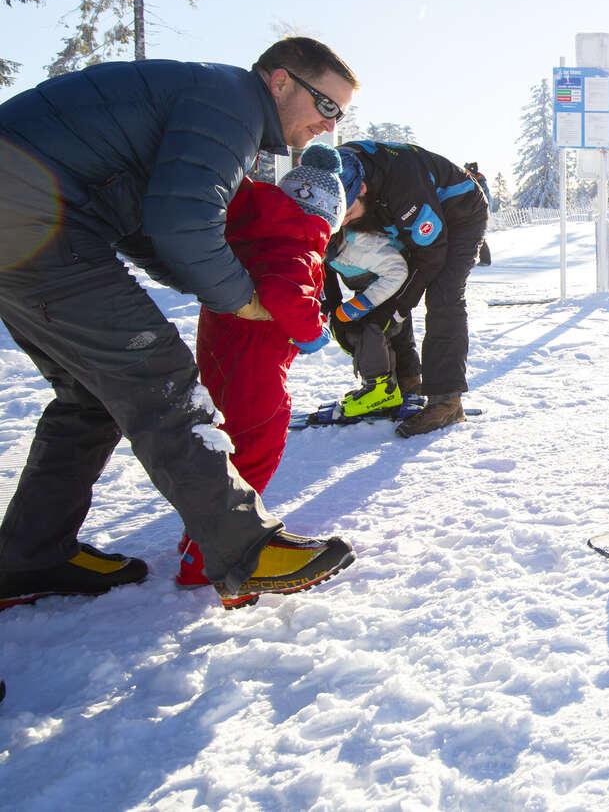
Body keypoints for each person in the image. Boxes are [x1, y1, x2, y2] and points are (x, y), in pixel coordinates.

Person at [0, 37, 357, 610]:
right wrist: (242, 300)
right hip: (34, 222)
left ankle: (30, 555)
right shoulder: (232, 104)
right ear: (281, 82)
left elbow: (151, 225)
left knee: (88, 397)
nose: (328, 124)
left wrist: (217, 286)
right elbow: (181, 226)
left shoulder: (213, 102)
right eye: (327, 106)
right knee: (161, 380)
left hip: (32, 224)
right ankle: (244, 549)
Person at [180, 145, 346, 594]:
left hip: (220, 356)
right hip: (256, 370)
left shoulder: (252, 226)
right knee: (256, 448)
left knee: (225, 448)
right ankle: (217, 556)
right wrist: (312, 332)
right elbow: (284, 292)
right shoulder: (301, 237)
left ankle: (199, 541)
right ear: (327, 214)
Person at [335, 140, 488, 436]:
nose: (342, 221)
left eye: (347, 212)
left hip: (459, 214)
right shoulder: (340, 171)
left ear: (362, 190)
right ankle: (406, 381)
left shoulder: (402, 183)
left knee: (444, 295)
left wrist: (399, 309)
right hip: (403, 215)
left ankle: (447, 401)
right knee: (391, 291)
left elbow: (430, 256)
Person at [323, 217, 422, 417]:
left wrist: (361, 305)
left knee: (374, 328)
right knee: (359, 329)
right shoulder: (324, 246)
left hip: (396, 282)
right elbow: (326, 276)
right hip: (372, 283)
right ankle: (389, 387)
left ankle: (388, 389)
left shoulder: (359, 244)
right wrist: (332, 312)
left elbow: (398, 271)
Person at [464, 162, 492, 267]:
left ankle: (485, 260)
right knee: (473, 236)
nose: (465, 172)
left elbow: (482, 199)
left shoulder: (479, 183)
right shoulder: (476, 181)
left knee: (477, 235)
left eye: (467, 170)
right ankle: (478, 259)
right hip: (475, 212)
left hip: (478, 213)